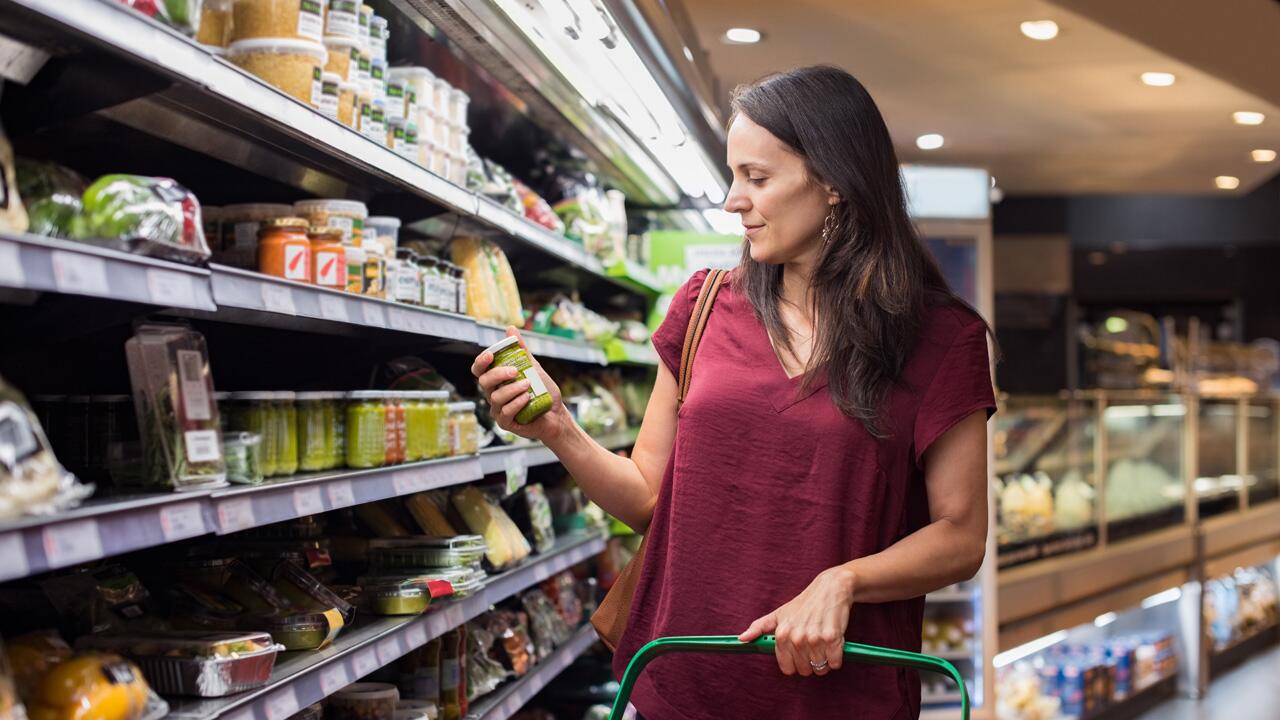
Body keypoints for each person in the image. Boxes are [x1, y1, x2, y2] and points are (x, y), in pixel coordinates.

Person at [472, 65, 995, 720]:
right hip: (681, 685)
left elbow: (961, 535)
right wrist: (559, 430)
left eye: (757, 177)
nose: (731, 199)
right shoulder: (702, 306)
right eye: (732, 174)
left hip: (841, 700)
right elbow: (649, 501)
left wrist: (846, 580)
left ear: (834, 182)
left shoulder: (942, 339)